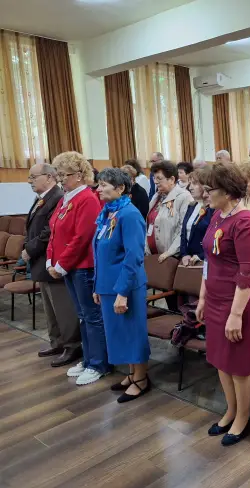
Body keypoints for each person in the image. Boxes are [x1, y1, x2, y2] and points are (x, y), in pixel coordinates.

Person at [195, 162, 250, 446]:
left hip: (239, 302)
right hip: (215, 298)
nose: (205, 193)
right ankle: (231, 410)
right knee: (222, 361)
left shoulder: (245, 221)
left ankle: (244, 417)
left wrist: (236, 314)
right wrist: (202, 297)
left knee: (239, 364)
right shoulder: (218, 215)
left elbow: (248, 273)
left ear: (228, 191)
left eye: (210, 189)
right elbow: (209, 261)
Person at [48, 151, 109, 385]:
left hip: (82, 267)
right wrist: (50, 260)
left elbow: (82, 237)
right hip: (69, 267)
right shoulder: (67, 198)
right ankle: (88, 359)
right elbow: (54, 230)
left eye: (66, 174)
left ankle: (99, 364)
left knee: (92, 317)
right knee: (82, 316)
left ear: (81, 175)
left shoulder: (87, 199)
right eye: (59, 174)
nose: (62, 179)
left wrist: (61, 264)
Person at [92, 168, 150, 403]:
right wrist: (97, 285)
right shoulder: (109, 213)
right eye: (99, 184)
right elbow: (99, 251)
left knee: (133, 333)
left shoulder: (129, 214)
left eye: (104, 185)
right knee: (120, 334)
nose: (98, 189)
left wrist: (122, 292)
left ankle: (142, 379)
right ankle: (131, 373)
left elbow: (133, 256)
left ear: (120, 188)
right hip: (108, 285)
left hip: (126, 286)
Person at [24, 163, 81, 367]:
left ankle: (72, 346)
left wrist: (29, 249)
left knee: (63, 308)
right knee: (50, 309)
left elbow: (49, 231)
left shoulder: (57, 197)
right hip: (43, 261)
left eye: (33, 177)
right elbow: (32, 227)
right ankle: (56, 342)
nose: (29, 181)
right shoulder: (42, 198)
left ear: (49, 177)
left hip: (54, 261)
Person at [146, 160, 193, 262]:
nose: (155, 181)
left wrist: (170, 252)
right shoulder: (157, 196)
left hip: (171, 257)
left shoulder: (184, 197)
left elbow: (183, 229)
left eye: (159, 178)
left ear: (171, 179)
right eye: (154, 178)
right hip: (153, 256)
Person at [180, 170, 214, 266]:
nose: (190, 187)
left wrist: (201, 255)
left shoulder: (213, 208)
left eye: (194, 184)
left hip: (206, 260)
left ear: (205, 185)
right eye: (189, 184)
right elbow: (183, 233)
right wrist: (184, 254)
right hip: (189, 259)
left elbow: (214, 239)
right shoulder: (192, 206)